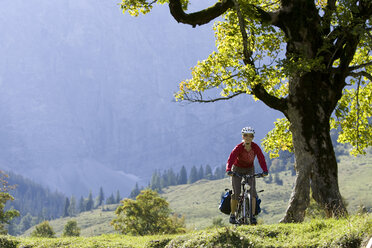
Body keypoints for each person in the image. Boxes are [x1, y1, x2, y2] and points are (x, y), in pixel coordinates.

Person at [226, 126, 269, 224]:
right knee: (236, 192)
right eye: (246, 135)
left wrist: (265, 170)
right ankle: (232, 215)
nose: (248, 138)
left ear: (253, 137)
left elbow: (261, 158)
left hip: (250, 169)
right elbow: (231, 158)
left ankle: (252, 216)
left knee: (252, 192)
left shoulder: (255, 147)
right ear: (243, 137)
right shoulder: (239, 148)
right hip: (237, 169)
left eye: (250, 136)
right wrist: (229, 169)